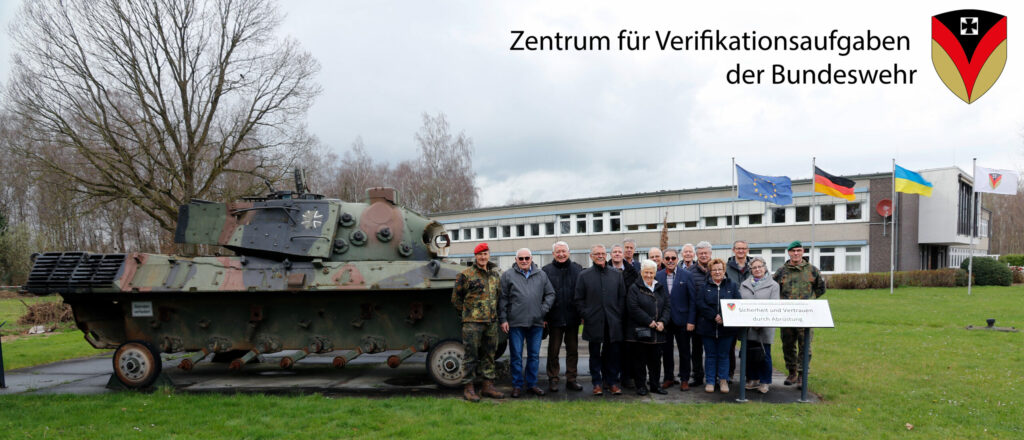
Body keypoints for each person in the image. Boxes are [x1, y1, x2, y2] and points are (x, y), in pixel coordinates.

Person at [451, 242, 505, 401]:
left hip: (491, 322)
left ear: (489, 255)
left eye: (485, 254)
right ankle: (469, 388)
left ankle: (487, 386)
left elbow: (498, 297)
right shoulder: (466, 274)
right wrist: (468, 315)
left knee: (489, 354)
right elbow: (455, 299)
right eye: (480, 254)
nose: (483, 257)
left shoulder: (495, 275)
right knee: (471, 355)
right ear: (475, 256)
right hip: (472, 323)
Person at [499, 248, 556, 398]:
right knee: (516, 356)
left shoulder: (541, 275)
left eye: (527, 258)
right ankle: (517, 385)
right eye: (521, 258)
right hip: (515, 323)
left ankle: (532, 384)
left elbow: (550, 293)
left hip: (536, 322)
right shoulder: (508, 275)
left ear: (531, 259)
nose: (524, 261)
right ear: (516, 259)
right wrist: (503, 319)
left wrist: (542, 310)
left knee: (534, 355)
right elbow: (503, 299)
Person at [574, 244, 627, 396]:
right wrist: (587, 314)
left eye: (602, 253)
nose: (600, 256)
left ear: (606, 255)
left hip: (612, 321)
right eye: (596, 253)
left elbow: (622, 297)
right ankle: (597, 383)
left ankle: (611, 382)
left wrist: (618, 315)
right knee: (595, 354)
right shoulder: (584, 275)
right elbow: (578, 299)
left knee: (612, 354)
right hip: (594, 321)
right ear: (591, 256)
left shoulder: (616, 274)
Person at [773, 241, 826, 386]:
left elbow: (820, 289)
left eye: (798, 250)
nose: (796, 253)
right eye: (793, 251)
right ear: (788, 253)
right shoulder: (781, 271)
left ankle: (802, 375)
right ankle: (792, 373)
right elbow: (774, 290)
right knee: (788, 345)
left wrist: (809, 300)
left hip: (806, 315)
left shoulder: (812, 270)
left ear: (803, 252)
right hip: (787, 315)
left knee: (805, 345)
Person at [542, 241, 584, 392]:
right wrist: (544, 316)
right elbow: (543, 295)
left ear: (568, 252)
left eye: (563, 251)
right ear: (553, 254)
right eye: (558, 252)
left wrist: (582, 314)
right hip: (554, 318)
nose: (561, 254)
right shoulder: (546, 271)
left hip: (573, 317)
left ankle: (571, 379)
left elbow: (581, 293)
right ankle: (553, 378)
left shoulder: (578, 269)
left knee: (573, 350)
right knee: (553, 350)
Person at [625, 259, 671, 396]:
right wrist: (649, 321)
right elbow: (633, 308)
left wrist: (663, 321)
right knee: (640, 362)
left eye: (651, 272)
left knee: (656, 362)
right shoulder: (634, 288)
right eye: (646, 272)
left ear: (655, 272)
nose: (649, 275)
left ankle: (655, 386)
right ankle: (641, 386)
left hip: (658, 332)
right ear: (641, 272)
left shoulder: (660, 287)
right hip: (641, 332)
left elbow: (668, 306)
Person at [694, 258, 740, 393]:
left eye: (720, 269)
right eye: (714, 270)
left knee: (724, 355)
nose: (717, 272)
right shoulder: (704, 286)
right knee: (710, 355)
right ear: (710, 271)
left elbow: (737, 303)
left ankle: (723, 380)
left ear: (724, 270)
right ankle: (710, 381)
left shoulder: (732, 286)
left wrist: (724, 316)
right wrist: (714, 315)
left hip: (727, 329)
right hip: (707, 327)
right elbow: (700, 304)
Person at [658, 248, 698, 391]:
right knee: (666, 352)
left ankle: (685, 379)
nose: (670, 261)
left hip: (683, 320)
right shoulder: (658, 276)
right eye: (667, 258)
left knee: (685, 352)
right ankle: (668, 378)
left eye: (673, 258)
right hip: (665, 322)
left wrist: (691, 321)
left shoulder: (686, 275)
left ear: (677, 259)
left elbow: (693, 300)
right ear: (663, 260)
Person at [739, 257, 779, 394]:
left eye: (759, 267)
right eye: (754, 267)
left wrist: (760, 321)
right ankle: (752, 379)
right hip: (748, 327)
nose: (757, 269)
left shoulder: (773, 285)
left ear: (765, 267)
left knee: (764, 355)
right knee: (749, 354)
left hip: (765, 327)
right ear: (751, 270)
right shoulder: (744, 284)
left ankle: (765, 381)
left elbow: (773, 306)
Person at [609, 243, 639, 388]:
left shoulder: (633, 272)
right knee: (611, 349)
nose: (617, 254)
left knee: (628, 349)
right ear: (611, 254)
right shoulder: (605, 270)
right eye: (614, 252)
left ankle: (627, 377)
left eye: (619, 252)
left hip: (628, 317)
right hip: (610, 316)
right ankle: (610, 377)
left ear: (623, 255)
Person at [684, 240, 713, 387]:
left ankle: (712, 377)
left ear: (710, 254)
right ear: (697, 254)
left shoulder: (717, 269)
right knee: (696, 350)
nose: (703, 255)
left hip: (713, 318)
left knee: (712, 350)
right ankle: (697, 376)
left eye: (705, 253)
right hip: (696, 317)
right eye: (700, 253)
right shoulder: (689, 272)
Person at [725, 240, 752, 382]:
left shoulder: (754, 266)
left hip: (749, 311)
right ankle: (729, 373)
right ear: (733, 250)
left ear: (747, 250)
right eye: (738, 248)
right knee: (730, 345)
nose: (741, 251)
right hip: (732, 311)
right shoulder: (727, 267)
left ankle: (748, 375)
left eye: (743, 248)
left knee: (749, 345)